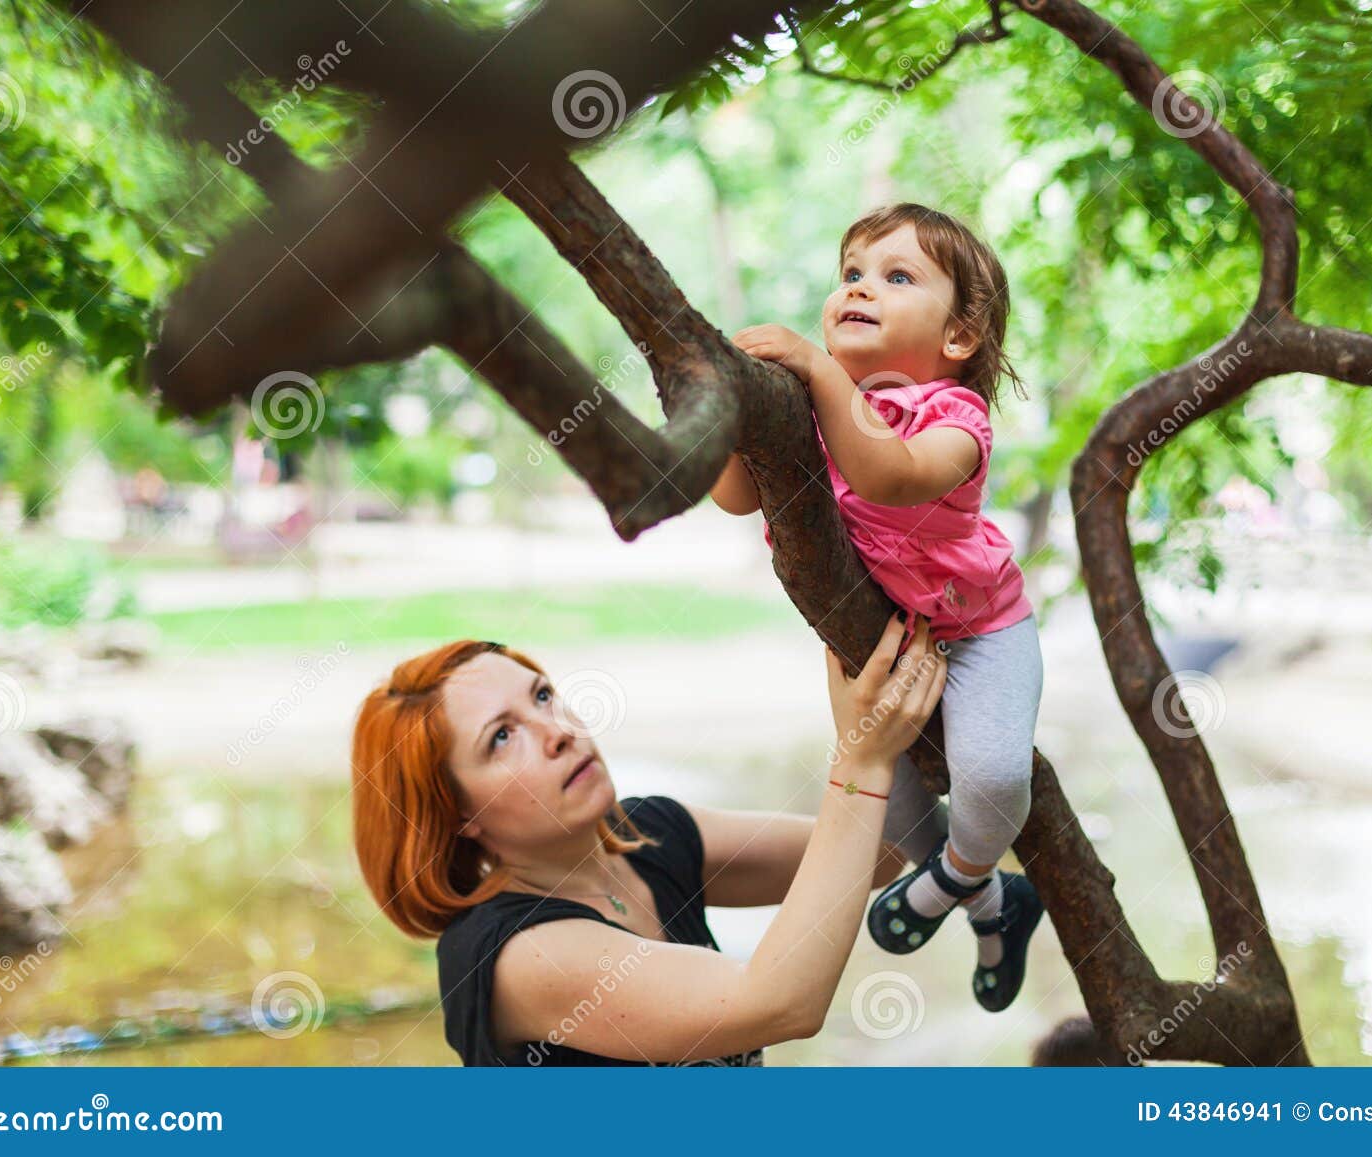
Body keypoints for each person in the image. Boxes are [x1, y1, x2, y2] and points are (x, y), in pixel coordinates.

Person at [710, 203, 1045, 1012]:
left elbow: (889, 474)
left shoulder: (953, 417)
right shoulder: (814, 406)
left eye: (896, 277)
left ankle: (959, 880)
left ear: (957, 337)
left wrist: (820, 373)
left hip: (981, 631)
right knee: (887, 817)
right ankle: (999, 904)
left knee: (994, 774)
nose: (860, 289)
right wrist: (735, 409)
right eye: (852, 273)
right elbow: (732, 497)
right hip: (890, 645)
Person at [350, 611, 946, 1066]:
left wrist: (900, 692)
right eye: (501, 738)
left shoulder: (645, 834)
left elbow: (880, 857)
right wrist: (860, 760)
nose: (556, 731)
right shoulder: (515, 955)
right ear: (457, 816)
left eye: (541, 696)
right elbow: (781, 1002)